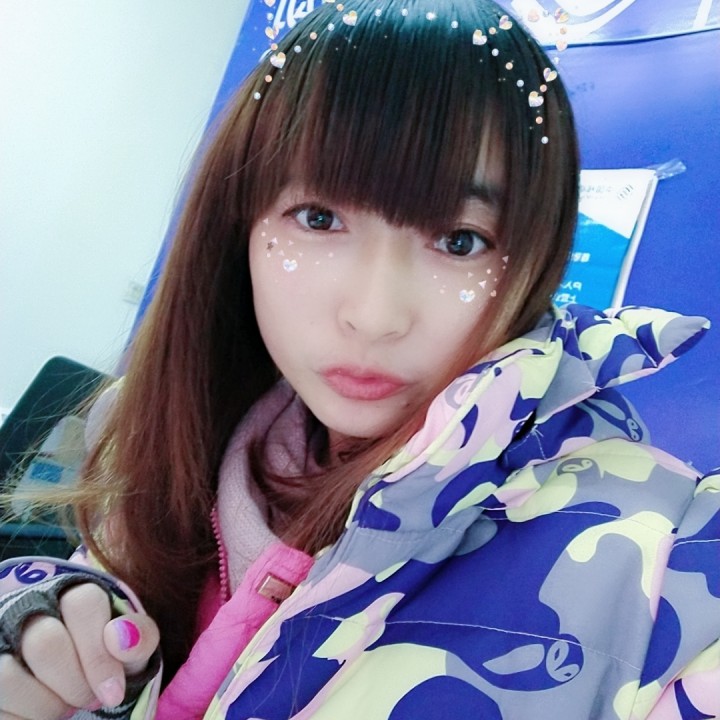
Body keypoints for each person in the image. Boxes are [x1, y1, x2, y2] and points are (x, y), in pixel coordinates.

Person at [1, 0, 718, 717]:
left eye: (460, 241)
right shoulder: (169, 441)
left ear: (535, 262)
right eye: (318, 219)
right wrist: (53, 629)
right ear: (237, 228)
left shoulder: (674, 561)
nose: (375, 316)